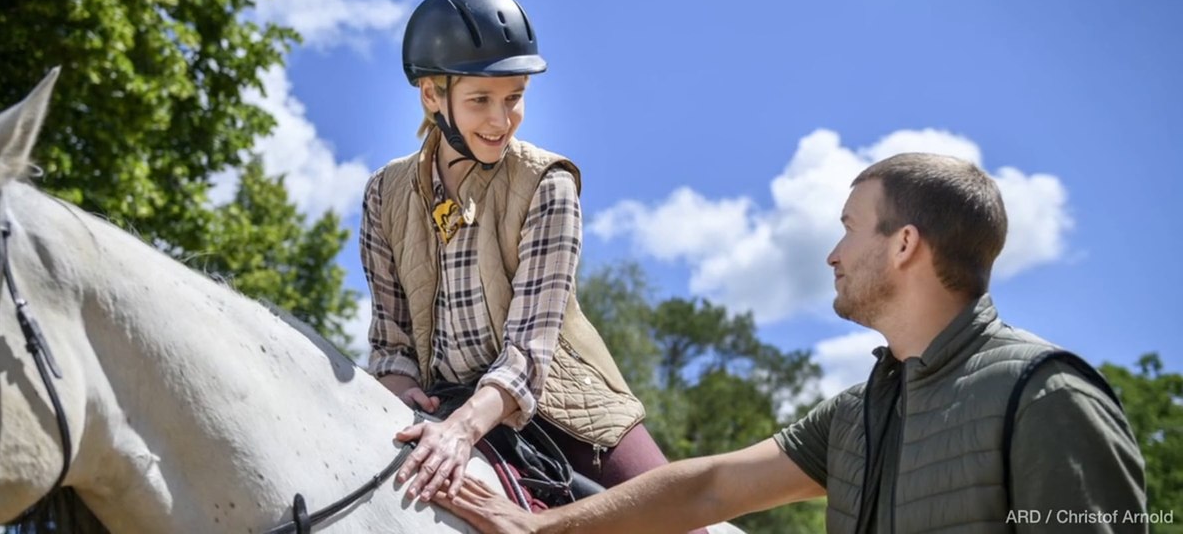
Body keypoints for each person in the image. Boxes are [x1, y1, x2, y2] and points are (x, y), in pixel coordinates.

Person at [439, 153, 1148, 533]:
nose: (833, 254)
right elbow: (711, 487)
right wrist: (545, 528)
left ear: (905, 244)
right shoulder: (857, 415)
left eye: (849, 227)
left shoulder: (1045, 395)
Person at [362, 0, 693, 521]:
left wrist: (462, 430)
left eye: (514, 98)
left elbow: (528, 352)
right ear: (431, 95)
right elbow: (390, 335)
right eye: (481, 100)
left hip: (556, 406)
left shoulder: (548, 184)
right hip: (440, 399)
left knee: (686, 526)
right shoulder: (384, 193)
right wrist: (399, 388)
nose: (501, 119)